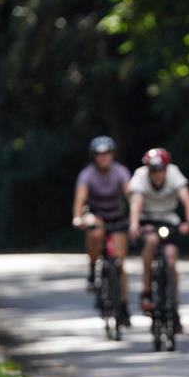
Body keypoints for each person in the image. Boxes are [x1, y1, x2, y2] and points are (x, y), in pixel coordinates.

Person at [128, 147, 189, 332]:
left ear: (166, 168)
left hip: (169, 219)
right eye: (153, 170)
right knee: (150, 243)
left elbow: (187, 200)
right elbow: (136, 203)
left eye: (160, 169)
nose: (157, 174)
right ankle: (146, 292)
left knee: (171, 258)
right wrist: (135, 225)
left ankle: (172, 304)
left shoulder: (174, 173)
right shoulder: (140, 176)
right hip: (148, 220)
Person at [72, 135, 132, 325]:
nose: (103, 158)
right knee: (95, 231)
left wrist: (136, 217)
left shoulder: (120, 172)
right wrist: (77, 217)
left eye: (106, 154)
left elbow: (130, 195)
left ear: (112, 155)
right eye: (99, 155)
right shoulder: (87, 174)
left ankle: (122, 306)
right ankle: (92, 267)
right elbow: (80, 199)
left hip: (116, 216)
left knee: (120, 264)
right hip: (96, 214)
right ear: (94, 157)